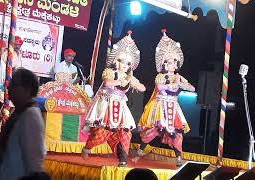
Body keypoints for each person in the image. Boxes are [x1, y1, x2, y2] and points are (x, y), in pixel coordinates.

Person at [81, 32, 146, 167]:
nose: (125, 65)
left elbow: (143, 88)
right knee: (101, 133)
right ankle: (87, 148)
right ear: (116, 61)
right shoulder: (110, 72)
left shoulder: (129, 77)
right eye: (122, 61)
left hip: (121, 106)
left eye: (128, 63)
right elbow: (107, 83)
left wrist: (134, 83)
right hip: (107, 104)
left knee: (125, 133)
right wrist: (119, 81)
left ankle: (123, 160)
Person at [133, 29, 195, 166]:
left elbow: (192, 88)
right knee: (153, 130)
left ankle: (179, 157)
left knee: (177, 132)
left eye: (173, 62)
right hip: (160, 106)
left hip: (174, 106)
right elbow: (160, 87)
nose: (171, 64)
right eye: (168, 62)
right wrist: (174, 84)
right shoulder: (161, 76)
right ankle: (139, 153)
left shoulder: (179, 77)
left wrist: (182, 84)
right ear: (164, 64)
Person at [0, 68, 47, 180]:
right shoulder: (19, 112)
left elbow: (34, 162)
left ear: (27, 90)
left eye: (14, 84)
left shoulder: (31, 116)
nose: (8, 87)